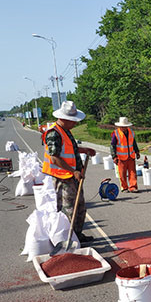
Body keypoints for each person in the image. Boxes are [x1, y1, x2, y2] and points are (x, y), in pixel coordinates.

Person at [42, 101, 96, 243]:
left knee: (80, 208)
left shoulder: (66, 131)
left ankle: (77, 234)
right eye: (73, 121)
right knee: (68, 209)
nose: (75, 124)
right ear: (65, 119)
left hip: (73, 176)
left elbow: (70, 149)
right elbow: (54, 158)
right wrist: (73, 171)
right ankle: (67, 238)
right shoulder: (54, 134)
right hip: (63, 177)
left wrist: (84, 150)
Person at [110, 117, 140, 193]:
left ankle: (133, 187)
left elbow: (134, 143)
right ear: (119, 126)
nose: (124, 128)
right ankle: (124, 187)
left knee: (132, 173)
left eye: (125, 127)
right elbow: (112, 145)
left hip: (131, 156)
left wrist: (137, 152)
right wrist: (114, 156)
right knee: (122, 173)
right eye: (122, 127)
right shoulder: (116, 133)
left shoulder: (131, 132)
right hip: (121, 157)